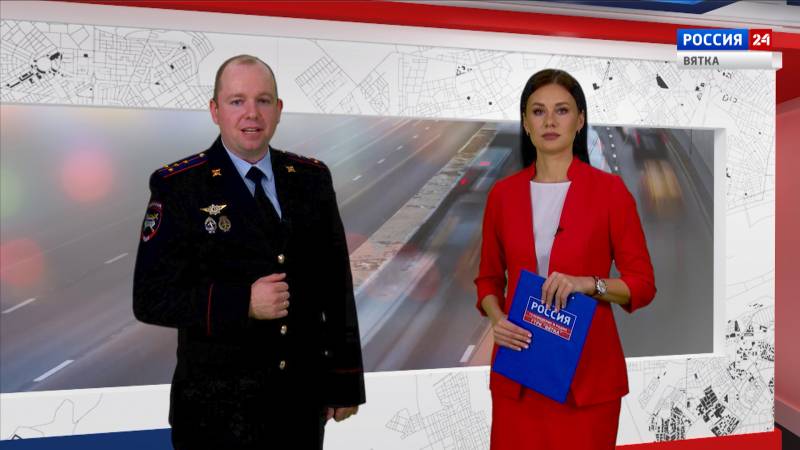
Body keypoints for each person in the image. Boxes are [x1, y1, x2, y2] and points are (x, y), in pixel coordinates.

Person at [133, 54, 365, 449]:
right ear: (215, 111)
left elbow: (335, 285)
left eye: (263, 100)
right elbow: (150, 298)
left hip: (298, 405)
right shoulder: (180, 186)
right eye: (237, 101)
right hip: (214, 413)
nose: (251, 114)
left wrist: (345, 380)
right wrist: (243, 303)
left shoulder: (311, 179)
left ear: (279, 109)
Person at [474, 69, 656, 450]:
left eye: (562, 110)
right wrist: (497, 319)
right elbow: (488, 280)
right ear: (526, 123)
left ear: (580, 120)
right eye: (538, 111)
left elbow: (642, 284)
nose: (550, 121)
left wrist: (589, 284)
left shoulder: (611, 192)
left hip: (587, 378)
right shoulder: (502, 196)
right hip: (519, 370)